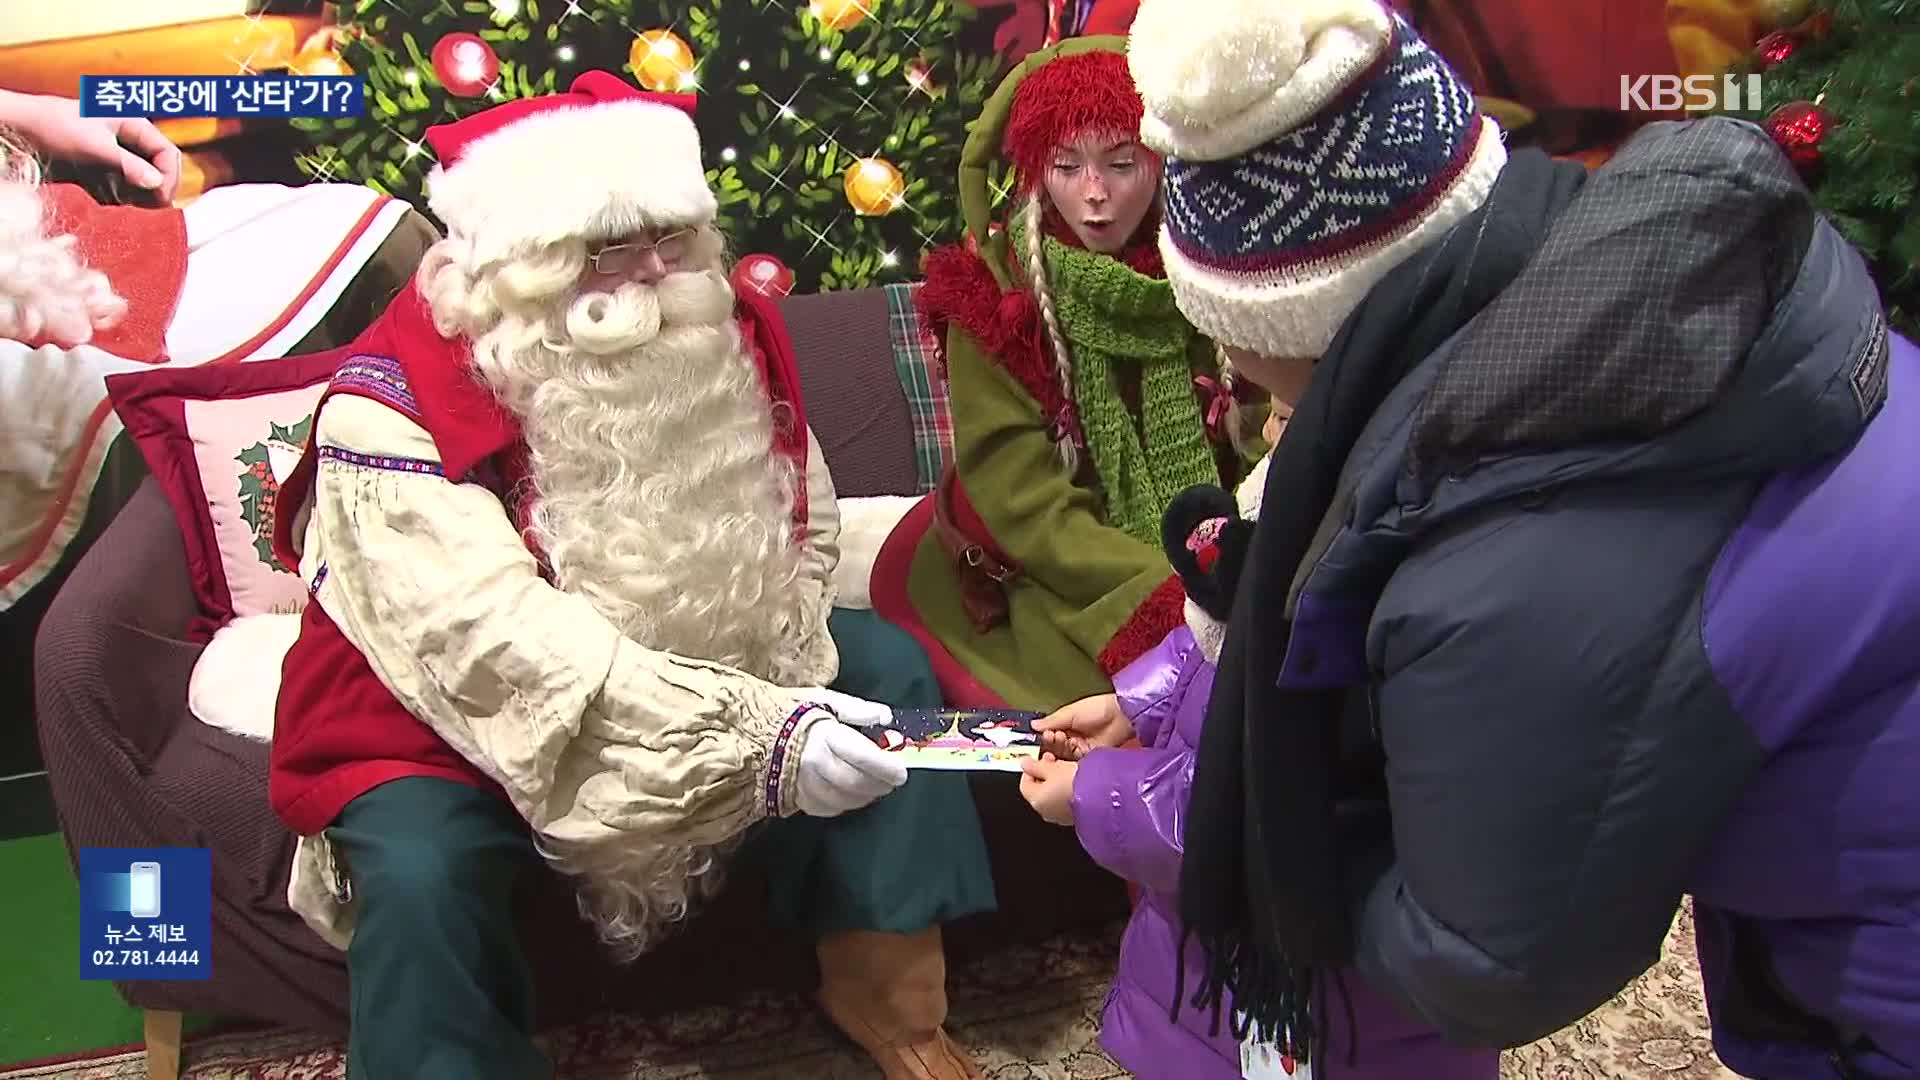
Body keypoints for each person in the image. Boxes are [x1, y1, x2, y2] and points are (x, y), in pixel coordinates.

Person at [1122, 1, 1920, 1077]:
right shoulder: (1694, 283)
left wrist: (1307, 840)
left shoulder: (1503, 552)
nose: (1229, 382)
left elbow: (1490, 958)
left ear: (1301, 331)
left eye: (1236, 351)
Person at [267, 71, 994, 1080]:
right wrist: (760, 729)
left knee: (889, 681)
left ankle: (893, 999)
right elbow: (492, 640)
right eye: (611, 246)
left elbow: (803, 509)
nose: (657, 271)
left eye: (673, 235)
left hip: (707, 657)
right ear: (519, 259)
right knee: (424, 867)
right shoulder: (383, 407)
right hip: (447, 698)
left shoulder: (722, 323)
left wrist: (783, 664)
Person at [1019, 437, 1499, 1078]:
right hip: (1218, 987)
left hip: (1326, 1007)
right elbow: (1218, 642)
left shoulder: (1368, 595)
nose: (1270, 434)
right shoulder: (1307, 498)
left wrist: (1089, 792)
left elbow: (1237, 819)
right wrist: (1134, 702)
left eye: (1284, 413)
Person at [874, 37, 1263, 712]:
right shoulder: (999, 303)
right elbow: (1023, 504)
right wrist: (1178, 588)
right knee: (1148, 703)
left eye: (1121, 164)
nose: (1095, 196)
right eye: (1066, 165)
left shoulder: (1209, 276)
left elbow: (1254, 431)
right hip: (1054, 571)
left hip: (1213, 551)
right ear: (1034, 170)